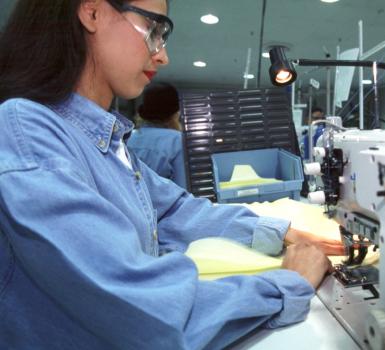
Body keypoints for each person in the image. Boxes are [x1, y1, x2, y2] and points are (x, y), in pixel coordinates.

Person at [0, 1, 344, 349]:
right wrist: (289, 282)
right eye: (154, 30)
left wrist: (281, 232)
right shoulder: (27, 130)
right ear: (92, 12)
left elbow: (174, 210)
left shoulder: (105, 145)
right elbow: (145, 311)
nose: (162, 56)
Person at [127, 82, 187, 189]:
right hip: (166, 204)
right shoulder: (178, 141)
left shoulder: (129, 138)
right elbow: (183, 188)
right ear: (175, 114)